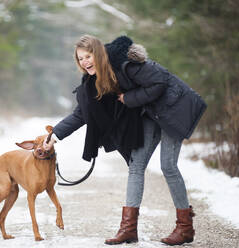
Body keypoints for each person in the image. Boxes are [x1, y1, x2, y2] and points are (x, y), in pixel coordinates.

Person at [43, 34, 207, 246]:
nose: (84, 62)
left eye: (88, 56)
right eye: (80, 59)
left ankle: (185, 227)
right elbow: (81, 114)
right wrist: (54, 136)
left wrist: (129, 99)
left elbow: (161, 81)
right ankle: (128, 229)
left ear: (99, 54)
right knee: (136, 165)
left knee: (168, 165)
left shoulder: (126, 63)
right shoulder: (93, 82)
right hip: (150, 112)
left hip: (173, 107)